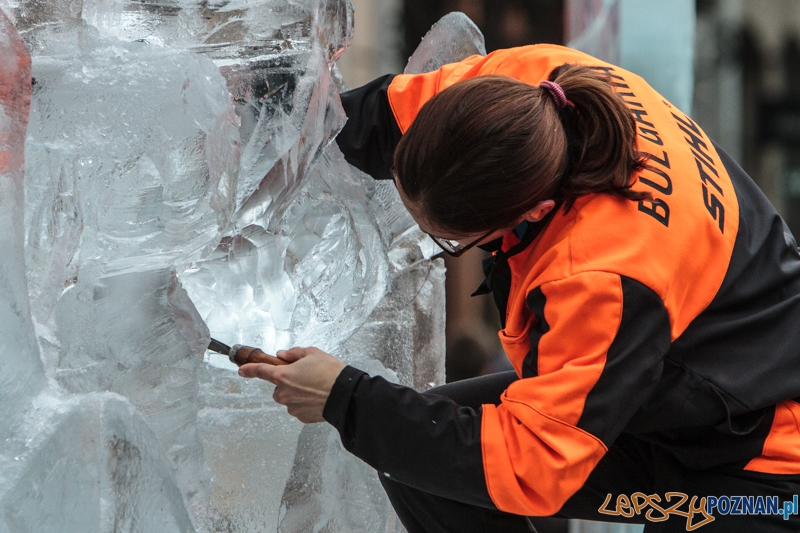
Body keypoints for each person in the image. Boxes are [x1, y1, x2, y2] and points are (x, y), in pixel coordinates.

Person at [237, 44, 800, 532]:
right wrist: (251, 102)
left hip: (754, 462)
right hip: (661, 382)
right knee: (421, 460)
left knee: (434, 448)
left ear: (536, 209)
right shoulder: (524, 84)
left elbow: (534, 467)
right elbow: (370, 118)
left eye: (455, 240)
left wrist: (346, 398)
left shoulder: (601, 276)